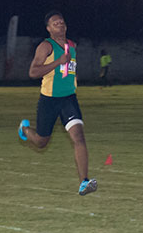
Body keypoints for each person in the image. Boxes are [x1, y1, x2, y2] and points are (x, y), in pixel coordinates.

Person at [17, 10, 97, 196]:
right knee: (41, 142)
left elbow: (70, 69)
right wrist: (58, 62)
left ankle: (84, 182)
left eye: (61, 21)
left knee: (79, 137)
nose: (60, 24)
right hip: (49, 101)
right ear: (48, 29)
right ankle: (25, 130)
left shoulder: (72, 46)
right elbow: (33, 72)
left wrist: (72, 76)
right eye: (55, 23)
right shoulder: (46, 46)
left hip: (69, 99)